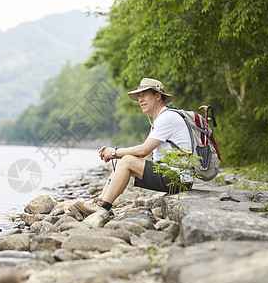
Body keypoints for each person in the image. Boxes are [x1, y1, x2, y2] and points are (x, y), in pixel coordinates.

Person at [69, 78, 194, 218]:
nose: (140, 100)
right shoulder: (161, 118)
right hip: (172, 174)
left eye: (144, 95)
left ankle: (103, 206)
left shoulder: (167, 118)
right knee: (124, 161)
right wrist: (116, 155)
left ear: (158, 96)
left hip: (178, 179)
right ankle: (99, 201)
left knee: (127, 160)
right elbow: (142, 152)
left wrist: (114, 152)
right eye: (139, 97)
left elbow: (143, 151)